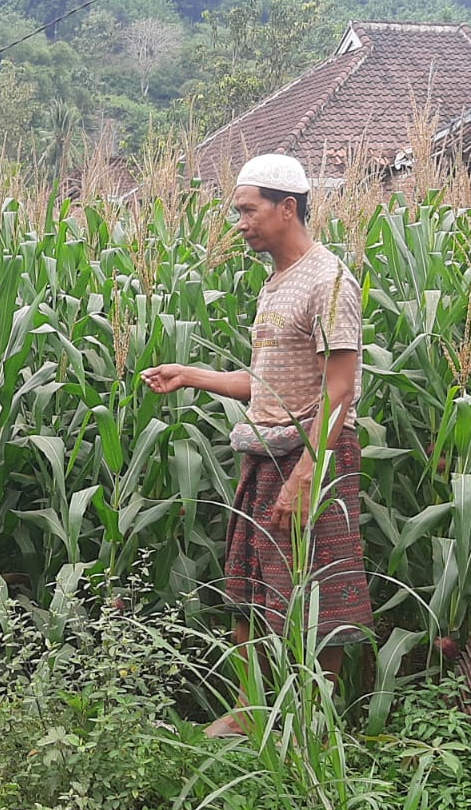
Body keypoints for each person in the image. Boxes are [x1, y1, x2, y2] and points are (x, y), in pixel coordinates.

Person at [141, 154, 372, 733]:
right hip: (267, 450)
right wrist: (191, 375)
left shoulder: (328, 280)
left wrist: (306, 476)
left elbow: (340, 391)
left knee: (322, 596)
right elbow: (263, 379)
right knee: (248, 590)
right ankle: (248, 714)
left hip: (312, 455)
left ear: (286, 207)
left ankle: (313, 720)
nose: (238, 222)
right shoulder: (278, 284)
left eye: (247, 209)